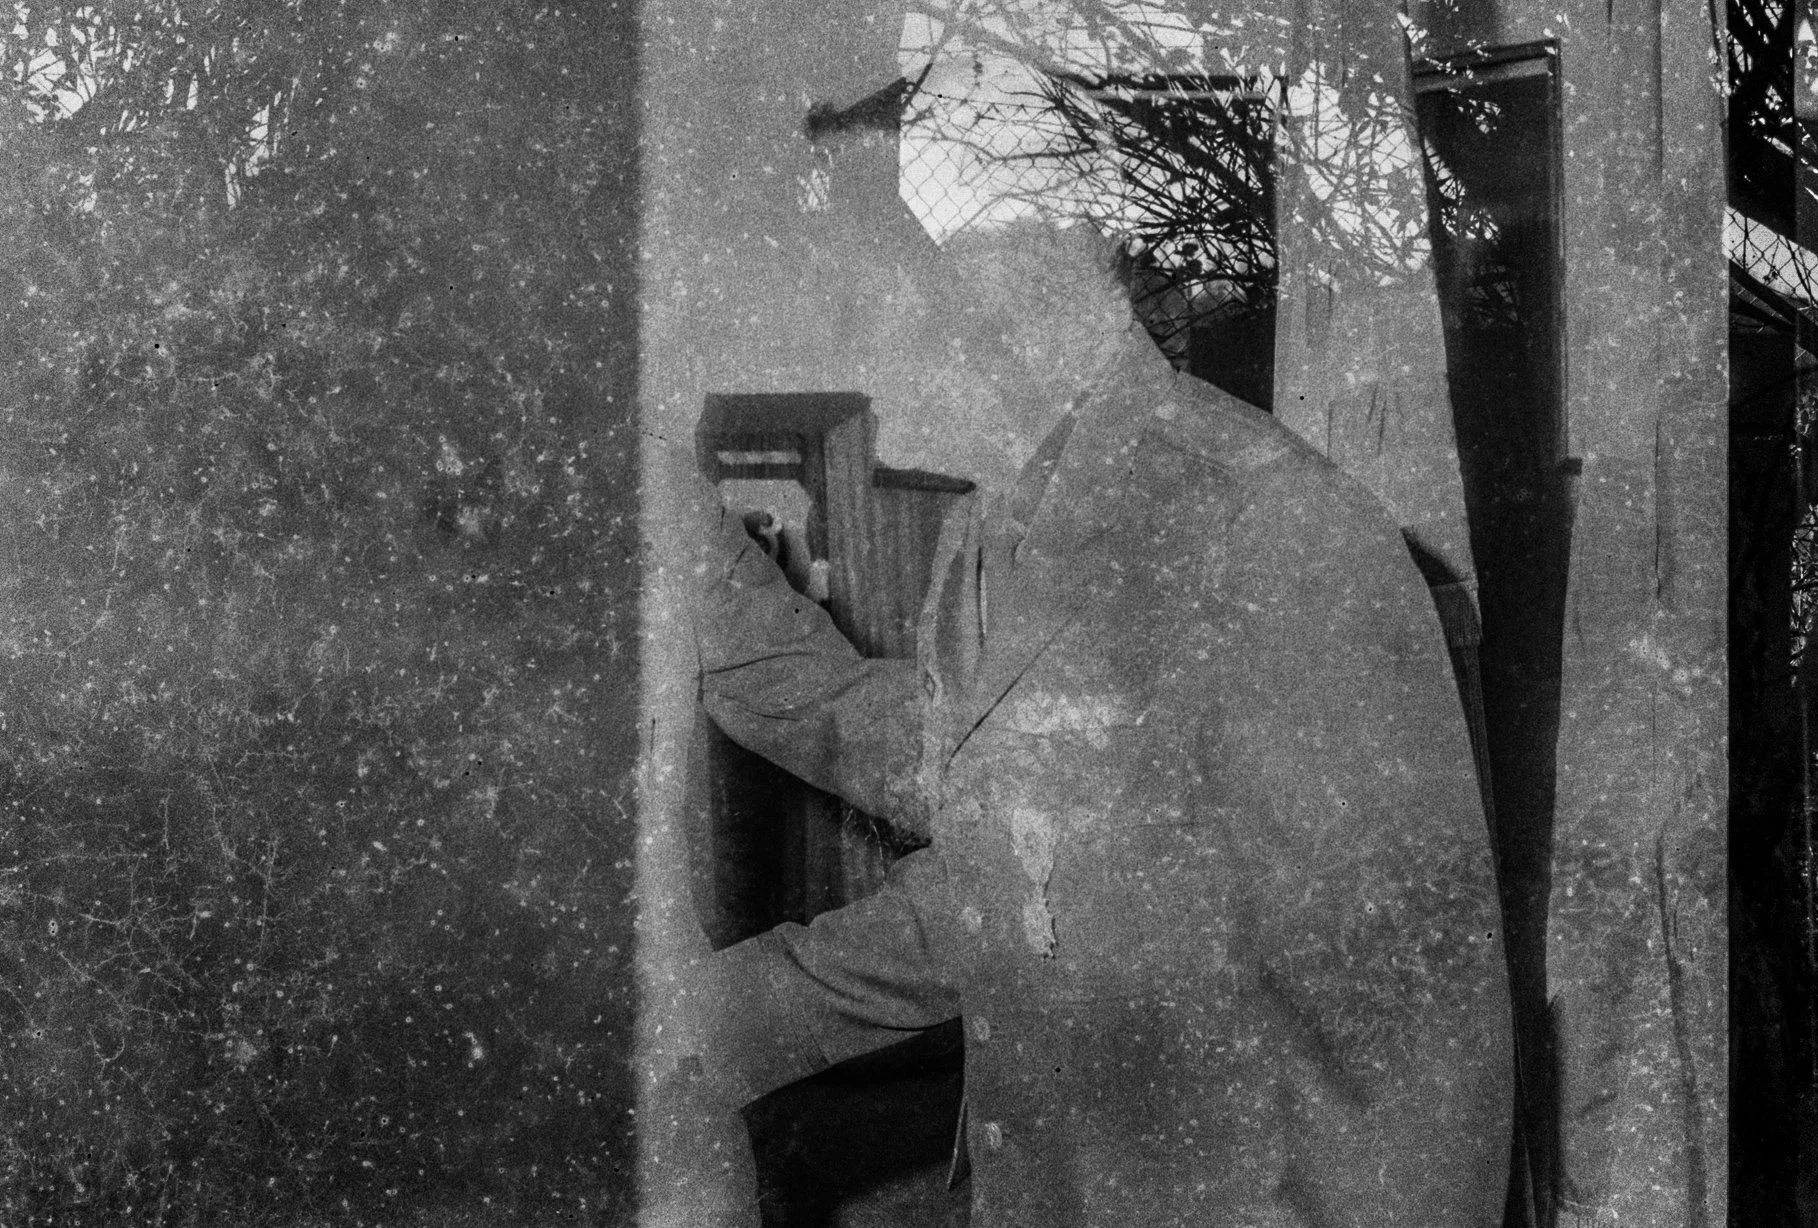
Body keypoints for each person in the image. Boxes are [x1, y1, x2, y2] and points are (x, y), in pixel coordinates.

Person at [645, 245, 1514, 1228]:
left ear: (1004, 343)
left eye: (885, 337)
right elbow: (999, 863)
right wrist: (684, 537)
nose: (860, 387)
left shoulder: (1265, 520)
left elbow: (1418, 1036)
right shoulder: (995, 522)